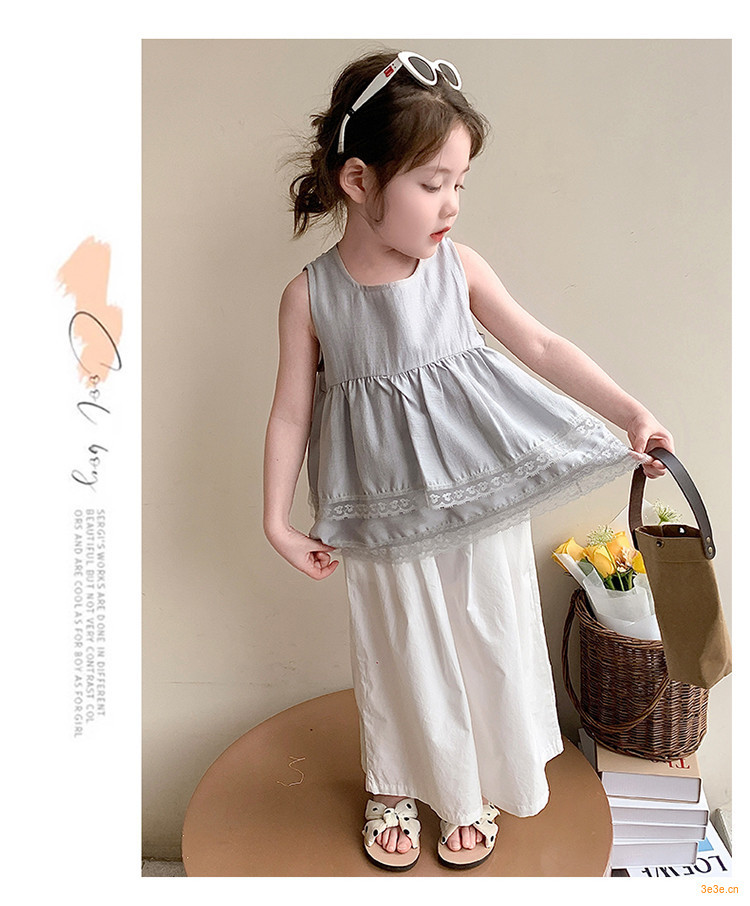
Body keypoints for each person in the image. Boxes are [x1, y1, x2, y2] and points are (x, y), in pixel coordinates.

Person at [263, 49, 674, 871]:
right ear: (358, 181)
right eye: (431, 183)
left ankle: (470, 785)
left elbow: (540, 345)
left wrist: (629, 411)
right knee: (399, 651)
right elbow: (291, 413)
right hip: (379, 516)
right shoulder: (312, 296)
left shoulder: (458, 269)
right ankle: (393, 782)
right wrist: (276, 520)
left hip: (480, 500)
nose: (451, 202)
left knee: (487, 635)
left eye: (460, 183)